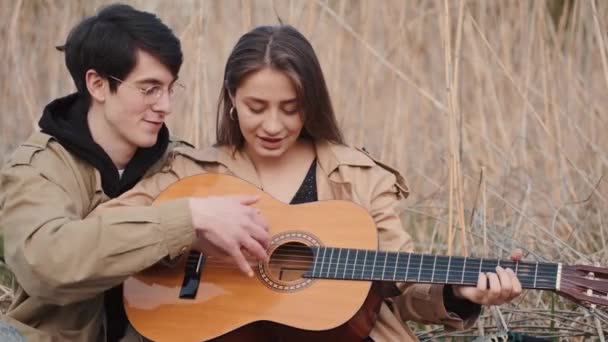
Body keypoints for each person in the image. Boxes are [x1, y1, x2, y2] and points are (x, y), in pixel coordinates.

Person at [96, 25, 523, 341]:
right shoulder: (192, 172)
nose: (273, 125)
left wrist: (458, 292)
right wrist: (189, 223)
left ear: (312, 103)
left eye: (291, 107)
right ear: (230, 99)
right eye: (256, 106)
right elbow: (106, 228)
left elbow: (403, 286)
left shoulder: (359, 178)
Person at [0, 4, 268, 341]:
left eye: (170, 88)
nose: (165, 106)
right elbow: (46, 264)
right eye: (149, 89)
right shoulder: (39, 168)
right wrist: (186, 219)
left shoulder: (181, 164)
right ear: (97, 85)